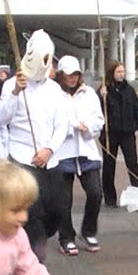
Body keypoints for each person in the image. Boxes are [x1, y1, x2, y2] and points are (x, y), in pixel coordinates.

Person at [0, 32, 65, 262]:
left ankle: (40, 237)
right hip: (22, 158)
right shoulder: (11, 85)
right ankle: (35, 255)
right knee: (32, 211)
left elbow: (62, 125)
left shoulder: (55, 90)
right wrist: (16, 92)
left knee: (57, 209)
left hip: (49, 159)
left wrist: (49, 150)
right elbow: (2, 118)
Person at [52, 56, 105, 255]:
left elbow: (98, 119)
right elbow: (52, 120)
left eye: (76, 74)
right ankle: (66, 237)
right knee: (64, 200)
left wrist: (88, 127)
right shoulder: (54, 94)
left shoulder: (89, 93)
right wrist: (71, 125)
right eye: (69, 74)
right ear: (61, 75)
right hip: (62, 151)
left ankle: (88, 230)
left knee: (95, 192)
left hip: (87, 150)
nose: (73, 78)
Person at [99, 61, 138, 207]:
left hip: (127, 132)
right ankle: (110, 198)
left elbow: (137, 111)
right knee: (108, 165)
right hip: (109, 133)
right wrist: (101, 97)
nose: (121, 74)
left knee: (132, 163)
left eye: (123, 71)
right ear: (111, 73)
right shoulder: (103, 89)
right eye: (118, 72)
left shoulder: (129, 90)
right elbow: (95, 110)